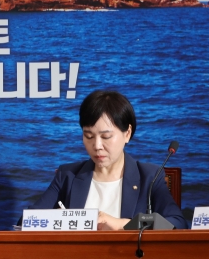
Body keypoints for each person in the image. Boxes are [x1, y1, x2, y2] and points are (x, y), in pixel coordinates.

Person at [24, 90, 187, 230]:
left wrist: (122, 225)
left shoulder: (150, 177)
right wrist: (61, 222)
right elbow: (26, 222)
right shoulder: (68, 176)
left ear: (127, 133)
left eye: (106, 136)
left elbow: (177, 224)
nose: (97, 145)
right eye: (88, 136)